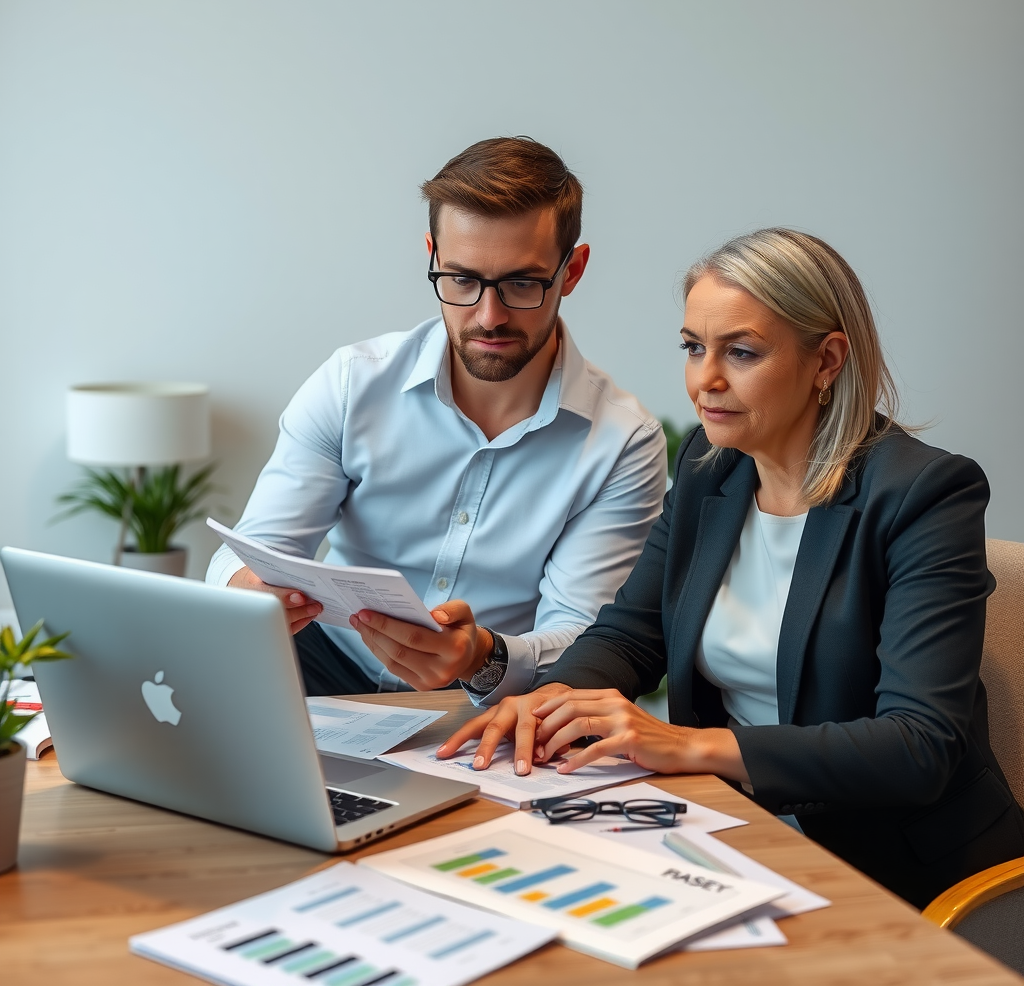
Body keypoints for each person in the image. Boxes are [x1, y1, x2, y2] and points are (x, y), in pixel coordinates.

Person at [440, 227, 1024, 907]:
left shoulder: (924, 494)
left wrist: (689, 747)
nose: (704, 381)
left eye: (741, 353)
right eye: (693, 348)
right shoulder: (708, 465)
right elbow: (631, 634)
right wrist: (547, 703)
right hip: (740, 838)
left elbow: (918, 747)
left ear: (827, 360)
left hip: (909, 876)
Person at [207, 136, 667, 703]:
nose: (488, 315)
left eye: (522, 283)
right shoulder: (354, 383)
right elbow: (250, 550)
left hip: (479, 702)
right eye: (462, 280)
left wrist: (483, 656)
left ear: (571, 271)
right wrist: (245, 587)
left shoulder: (623, 441)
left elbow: (585, 637)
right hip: (316, 670)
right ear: (433, 256)